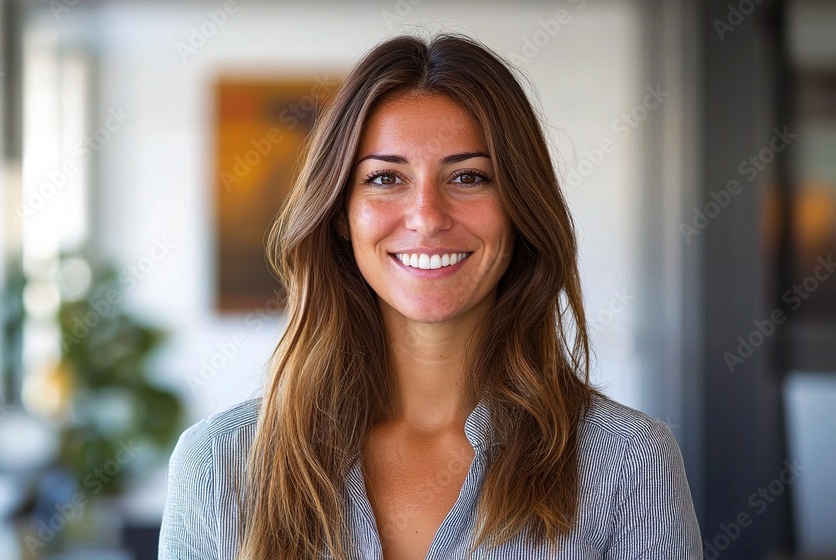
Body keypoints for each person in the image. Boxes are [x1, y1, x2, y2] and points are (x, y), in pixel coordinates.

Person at [159, 33, 702, 560]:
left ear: (519, 210)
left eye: (468, 177)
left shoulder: (631, 463)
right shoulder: (219, 463)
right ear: (342, 216)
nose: (427, 217)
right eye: (385, 179)